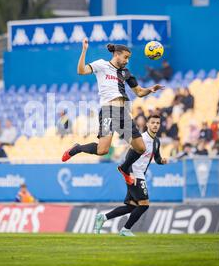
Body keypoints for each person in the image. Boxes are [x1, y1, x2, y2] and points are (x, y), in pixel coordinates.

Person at [62, 39, 164, 185]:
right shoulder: (101, 65)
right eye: (125, 57)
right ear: (116, 54)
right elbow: (81, 71)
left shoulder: (126, 73)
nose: (127, 61)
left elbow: (139, 92)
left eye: (128, 58)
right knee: (102, 150)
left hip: (123, 112)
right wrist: (84, 50)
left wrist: (151, 90)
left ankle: (124, 168)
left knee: (141, 148)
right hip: (108, 110)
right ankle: (77, 148)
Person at [94, 115, 167, 236]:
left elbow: (157, 158)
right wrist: (129, 173)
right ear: (147, 124)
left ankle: (103, 217)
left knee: (131, 207)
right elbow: (129, 157)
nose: (155, 125)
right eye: (153, 122)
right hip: (134, 173)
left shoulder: (157, 141)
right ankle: (125, 229)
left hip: (140, 174)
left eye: (157, 123)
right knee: (144, 205)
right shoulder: (140, 139)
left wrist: (162, 161)